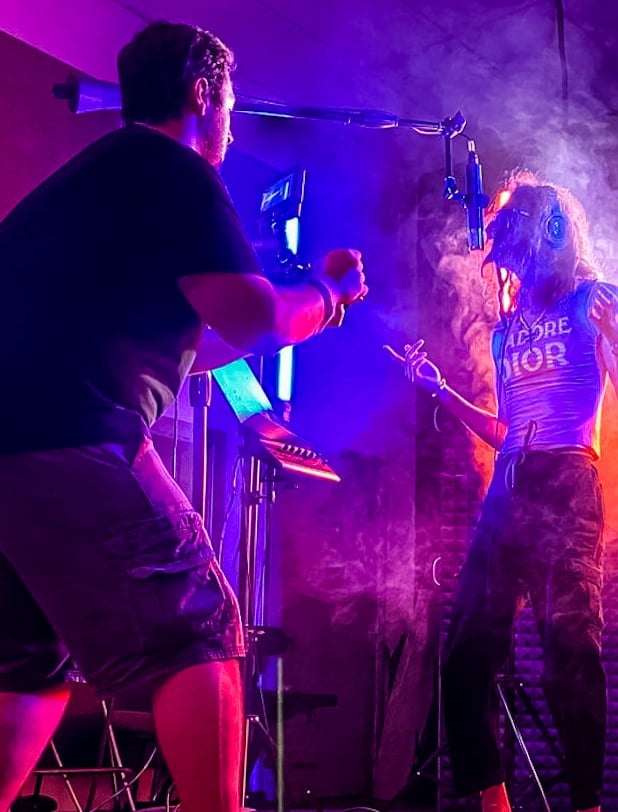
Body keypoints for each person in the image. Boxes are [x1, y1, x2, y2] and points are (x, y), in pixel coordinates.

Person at [0, 20, 366, 812]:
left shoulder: (99, 177)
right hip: (73, 432)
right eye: (228, 103)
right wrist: (328, 293)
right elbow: (258, 318)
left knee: (28, 662)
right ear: (202, 94)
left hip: (11, 451)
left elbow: (195, 341)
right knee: (200, 625)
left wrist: (290, 318)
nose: (231, 124)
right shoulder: (175, 169)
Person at [387, 179, 618, 812]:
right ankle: (493, 802)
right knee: (464, 651)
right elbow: (506, 430)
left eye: (513, 228)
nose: (502, 245)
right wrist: (442, 392)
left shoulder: (593, 301)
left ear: (548, 233)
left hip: (568, 484)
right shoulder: (507, 331)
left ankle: (587, 805)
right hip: (510, 488)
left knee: (570, 652)